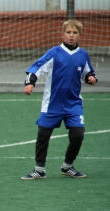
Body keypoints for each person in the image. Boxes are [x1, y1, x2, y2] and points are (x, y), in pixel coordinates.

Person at [21, 20, 98, 180]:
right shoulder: (55, 52)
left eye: (74, 33)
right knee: (43, 134)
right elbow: (37, 67)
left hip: (73, 103)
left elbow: (87, 72)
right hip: (52, 103)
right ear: (62, 34)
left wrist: (91, 77)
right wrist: (30, 83)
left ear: (79, 36)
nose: (71, 36)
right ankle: (39, 169)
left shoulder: (83, 55)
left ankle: (67, 166)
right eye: (68, 32)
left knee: (78, 134)